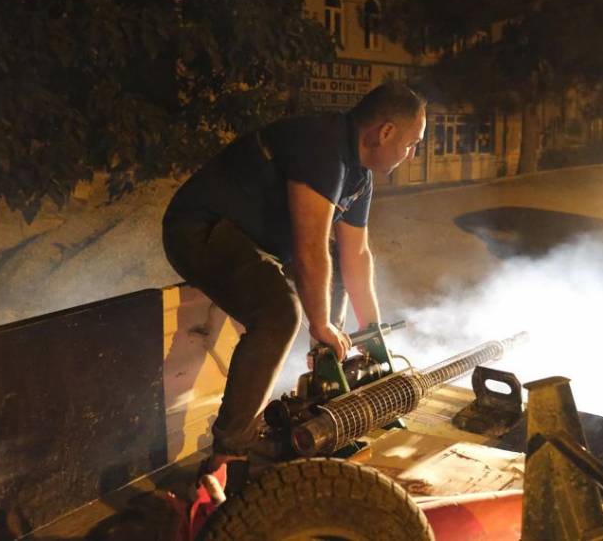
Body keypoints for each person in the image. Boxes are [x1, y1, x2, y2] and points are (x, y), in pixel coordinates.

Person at [162, 83, 426, 485]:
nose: (412, 155)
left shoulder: (360, 177)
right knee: (281, 314)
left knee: (329, 277)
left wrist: (371, 337)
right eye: (412, 144)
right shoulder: (323, 147)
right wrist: (320, 325)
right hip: (199, 227)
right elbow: (308, 248)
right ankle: (227, 454)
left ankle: (322, 369)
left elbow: (356, 257)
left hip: (251, 243)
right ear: (385, 132)